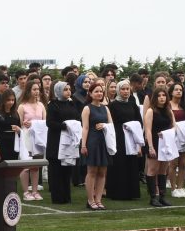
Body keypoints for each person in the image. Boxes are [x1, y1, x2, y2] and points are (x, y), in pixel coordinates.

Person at [104, 79, 141, 201]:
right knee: (119, 164)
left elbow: (139, 121)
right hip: (119, 137)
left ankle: (131, 192)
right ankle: (117, 192)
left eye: (127, 89)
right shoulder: (113, 105)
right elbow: (110, 123)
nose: (125, 91)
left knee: (131, 163)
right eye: (123, 89)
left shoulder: (132, 104)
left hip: (131, 137)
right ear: (118, 91)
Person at [80, 81, 113, 210]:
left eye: (101, 91)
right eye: (96, 91)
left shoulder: (106, 108)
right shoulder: (87, 108)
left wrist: (104, 125)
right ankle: (90, 199)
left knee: (102, 172)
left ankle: (98, 199)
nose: (99, 93)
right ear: (90, 93)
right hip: (92, 141)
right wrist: (83, 145)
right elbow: (85, 127)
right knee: (92, 171)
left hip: (104, 141)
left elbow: (111, 125)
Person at [46, 81, 79, 204]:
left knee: (67, 169)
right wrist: (64, 126)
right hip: (56, 140)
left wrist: (74, 125)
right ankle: (58, 197)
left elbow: (77, 117)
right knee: (56, 170)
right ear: (59, 91)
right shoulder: (53, 105)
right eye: (65, 89)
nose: (68, 92)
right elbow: (49, 123)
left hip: (69, 140)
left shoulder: (71, 103)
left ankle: (66, 196)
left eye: (69, 89)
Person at [143, 86, 175, 207]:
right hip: (155, 142)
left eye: (163, 95)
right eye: (159, 96)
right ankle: (153, 197)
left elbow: (174, 126)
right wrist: (150, 146)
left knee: (163, 170)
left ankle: (162, 196)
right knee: (152, 169)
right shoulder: (151, 111)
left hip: (166, 142)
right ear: (155, 98)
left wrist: (168, 134)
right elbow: (148, 130)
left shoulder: (168, 110)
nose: (161, 98)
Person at [17, 79, 46, 200]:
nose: (36, 92)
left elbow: (45, 122)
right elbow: (19, 124)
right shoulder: (22, 106)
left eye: (38, 89)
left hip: (38, 137)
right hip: (26, 136)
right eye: (34, 89)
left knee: (36, 165)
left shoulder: (41, 105)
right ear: (28, 91)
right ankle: (25, 191)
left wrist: (34, 124)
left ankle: (35, 191)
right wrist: (24, 124)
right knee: (26, 164)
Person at [167, 82, 185, 197]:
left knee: (183, 163)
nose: (179, 91)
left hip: (184, 136)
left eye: (180, 90)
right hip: (173, 136)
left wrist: (184, 125)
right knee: (173, 163)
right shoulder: (167, 105)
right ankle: (173, 188)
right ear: (171, 92)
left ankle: (181, 187)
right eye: (176, 89)